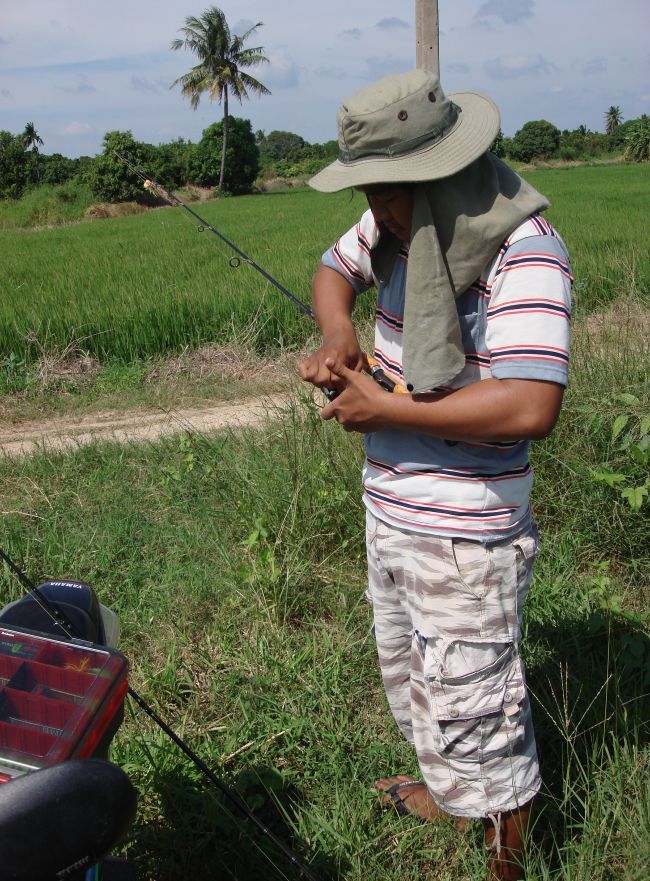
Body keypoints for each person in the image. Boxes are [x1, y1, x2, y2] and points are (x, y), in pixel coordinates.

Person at [299, 69, 572, 881]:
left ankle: (506, 860)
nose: (375, 206)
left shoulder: (521, 246)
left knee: (479, 705)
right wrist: (340, 330)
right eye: (371, 189)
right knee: (417, 677)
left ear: (439, 170)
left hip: (465, 531)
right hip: (393, 511)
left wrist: (390, 411)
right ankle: (444, 790)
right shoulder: (398, 218)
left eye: (387, 189)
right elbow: (330, 268)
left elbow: (529, 404)